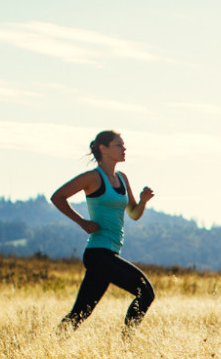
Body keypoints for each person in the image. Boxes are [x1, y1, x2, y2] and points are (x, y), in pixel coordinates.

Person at [49, 130, 158, 333]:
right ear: (103, 148)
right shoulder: (92, 178)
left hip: (110, 252)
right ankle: (128, 344)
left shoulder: (122, 178)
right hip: (98, 253)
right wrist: (82, 222)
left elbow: (133, 213)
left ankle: (51, 346)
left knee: (81, 312)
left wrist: (143, 201)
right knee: (146, 292)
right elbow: (58, 197)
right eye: (119, 145)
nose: (124, 149)